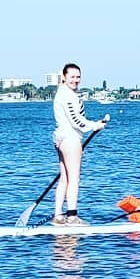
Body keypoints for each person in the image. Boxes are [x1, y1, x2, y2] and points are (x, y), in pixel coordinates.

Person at [51, 62, 108, 225]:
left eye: (78, 77)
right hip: (69, 139)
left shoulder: (64, 93)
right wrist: (95, 126)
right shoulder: (66, 95)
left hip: (62, 139)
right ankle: (72, 216)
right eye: (72, 77)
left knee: (64, 179)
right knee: (74, 179)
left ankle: (58, 216)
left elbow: (76, 119)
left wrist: (93, 124)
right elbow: (75, 121)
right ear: (64, 77)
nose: (75, 80)